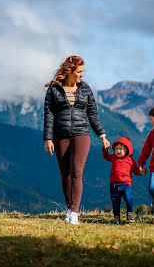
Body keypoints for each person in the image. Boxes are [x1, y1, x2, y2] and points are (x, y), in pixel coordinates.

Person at [43, 55, 110, 225]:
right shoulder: (54, 90)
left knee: (76, 173)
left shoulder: (86, 89)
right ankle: (69, 207)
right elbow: (49, 115)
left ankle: (74, 212)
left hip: (82, 134)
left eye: (82, 72)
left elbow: (93, 114)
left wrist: (102, 135)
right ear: (70, 71)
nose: (82, 75)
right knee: (65, 174)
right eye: (79, 72)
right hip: (60, 135)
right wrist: (48, 138)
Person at [102, 137, 146, 225]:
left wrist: (141, 172)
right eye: (116, 149)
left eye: (121, 149)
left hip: (126, 184)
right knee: (115, 202)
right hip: (114, 184)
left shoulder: (130, 160)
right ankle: (116, 219)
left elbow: (135, 171)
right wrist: (105, 149)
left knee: (129, 198)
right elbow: (106, 157)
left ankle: (130, 214)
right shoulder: (113, 157)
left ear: (127, 150)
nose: (118, 151)